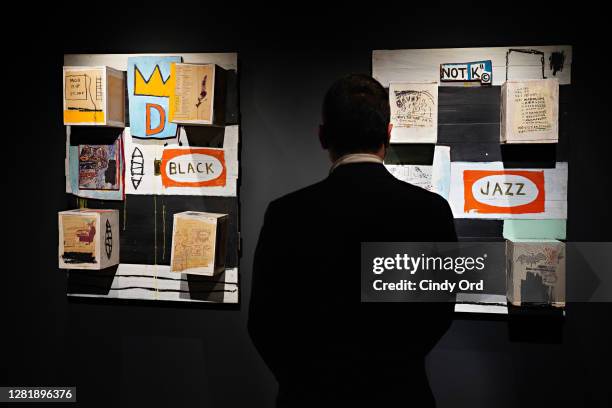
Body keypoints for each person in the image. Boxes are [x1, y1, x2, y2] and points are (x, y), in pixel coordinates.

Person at [248, 74, 457, 407]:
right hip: (400, 396)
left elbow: (263, 323)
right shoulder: (431, 211)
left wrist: (305, 382)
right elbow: (439, 316)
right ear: (388, 134)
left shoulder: (286, 214)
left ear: (322, 137)